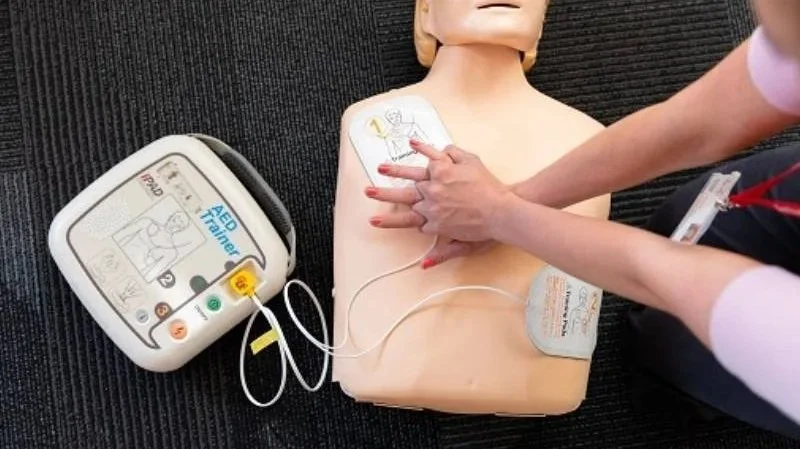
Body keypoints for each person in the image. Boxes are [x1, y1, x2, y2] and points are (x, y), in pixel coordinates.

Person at [364, 0, 800, 439]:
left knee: (678, 351)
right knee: (693, 217)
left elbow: (660, 274)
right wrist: (509, 202)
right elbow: (697, 123)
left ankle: (679, 385)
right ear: (425, 16)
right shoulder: (367, 121)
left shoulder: (576, 128)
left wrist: (498, 214)